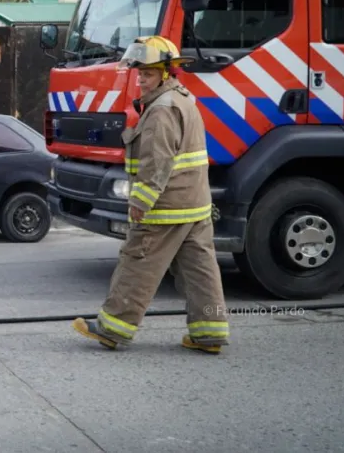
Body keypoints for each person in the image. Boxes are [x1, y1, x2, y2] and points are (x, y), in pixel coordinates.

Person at [72, 35, 230, 354]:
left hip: (166, 207)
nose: (141, 79)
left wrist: (140, 202)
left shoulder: (162, 109)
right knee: (201, 271)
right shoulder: (184, 100)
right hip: (196, 205)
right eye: (140, 72)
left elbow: (157, 163)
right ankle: (209, 334)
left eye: (149, 73)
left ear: (167, 73)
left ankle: (112, 328)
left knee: (137, 262)